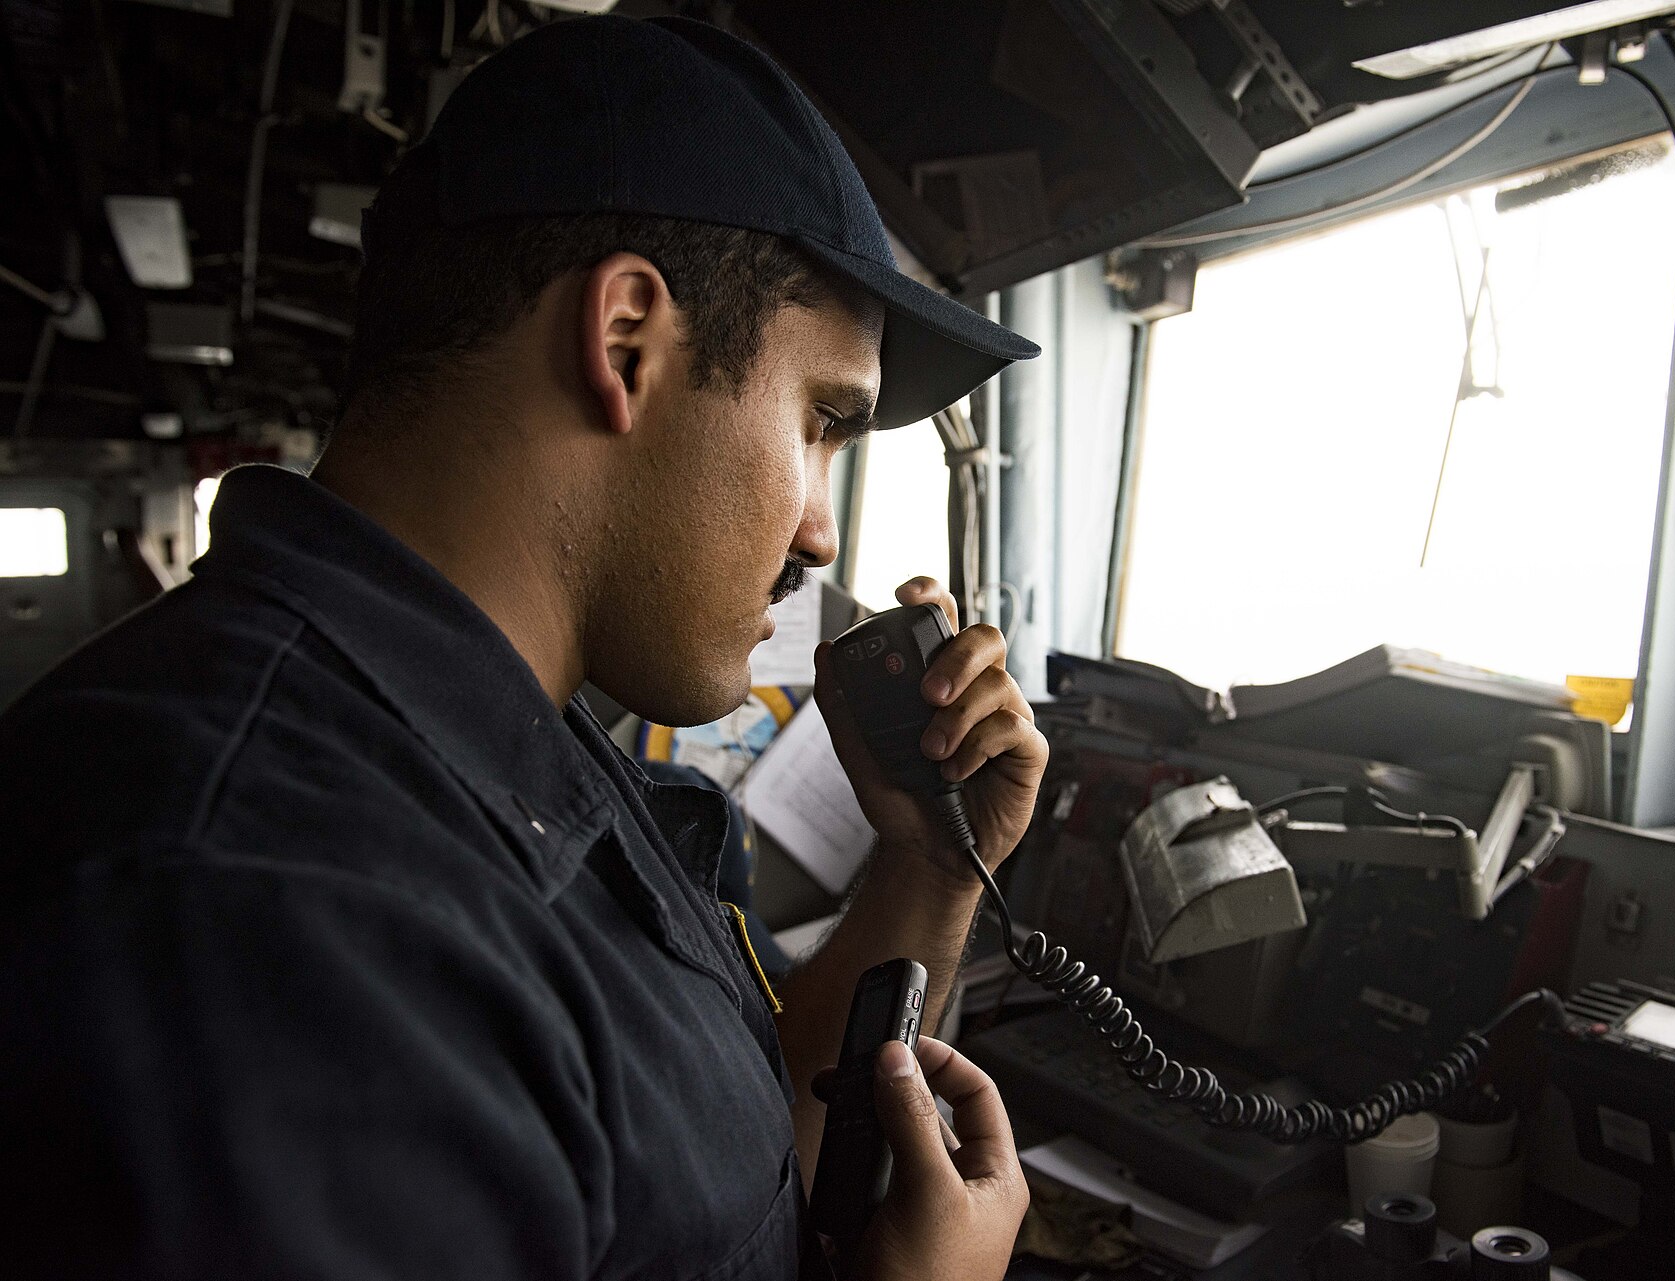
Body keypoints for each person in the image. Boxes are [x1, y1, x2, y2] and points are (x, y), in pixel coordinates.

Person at [0, 15, 1045, 1281]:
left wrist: (929, 868)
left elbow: (714, 1162)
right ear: (624, 344)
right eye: (822, 420)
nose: (820, 533)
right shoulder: (266, 909)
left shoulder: (498, 738)